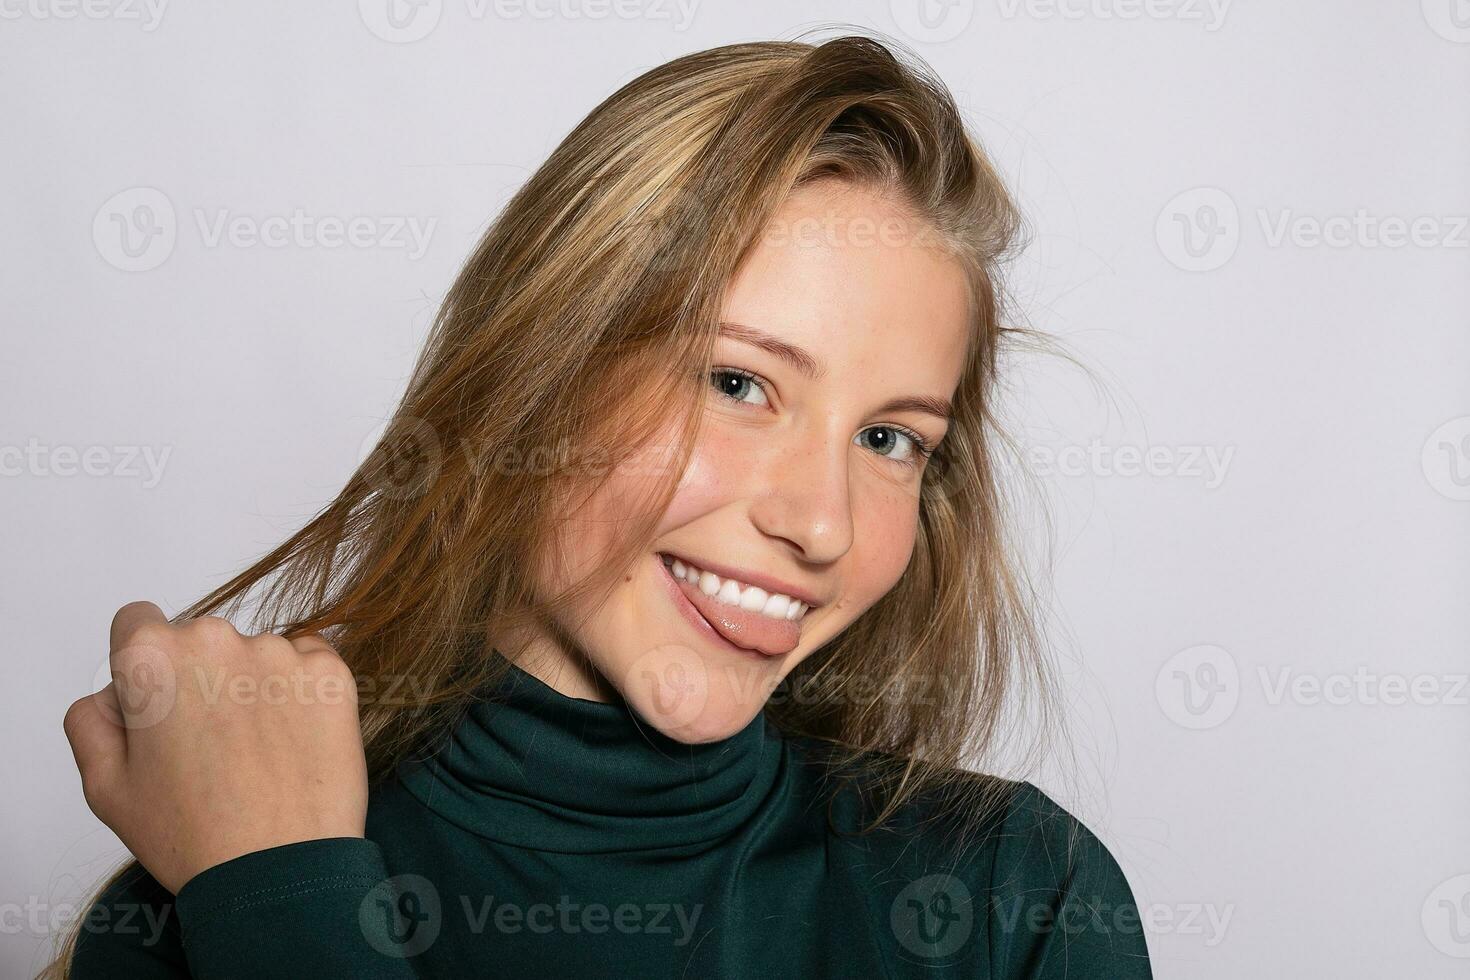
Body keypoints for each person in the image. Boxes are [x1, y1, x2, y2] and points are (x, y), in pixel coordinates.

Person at [48, 33, 1153, 979]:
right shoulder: (215, 889)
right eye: (737, 383)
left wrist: (286, 914)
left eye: (888, 439)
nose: (822, 523)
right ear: (541, 367)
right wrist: (279, 897)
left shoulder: (1016, 900)